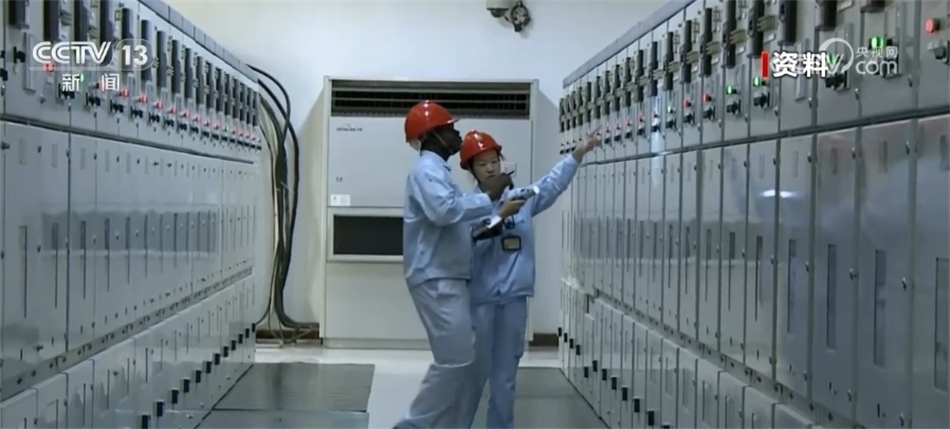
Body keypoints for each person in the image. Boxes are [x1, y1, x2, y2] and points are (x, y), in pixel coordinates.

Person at [396, 101, 527, 429]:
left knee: (459, 359)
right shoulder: (426, 171)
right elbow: (445, 211)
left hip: (446, 274)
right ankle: (413, 424)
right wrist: (489, 196)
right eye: (450, 129)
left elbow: (454, 216)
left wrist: (487, 223)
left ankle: (432, 425)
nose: (456, 135)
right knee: (456, 360)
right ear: (433, 135)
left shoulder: (438, 172)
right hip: (435, 276)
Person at [458, 129, 600, 429]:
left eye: (494, 160)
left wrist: (578, 153)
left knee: (505, 379)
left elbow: (550, 185)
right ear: (471, 170)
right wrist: (498, 216)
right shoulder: (466, 207)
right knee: (472, 377)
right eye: (482, 164)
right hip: (481, 301)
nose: (490, 168)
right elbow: (465, 248)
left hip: (513, 299)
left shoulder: (520, 198)